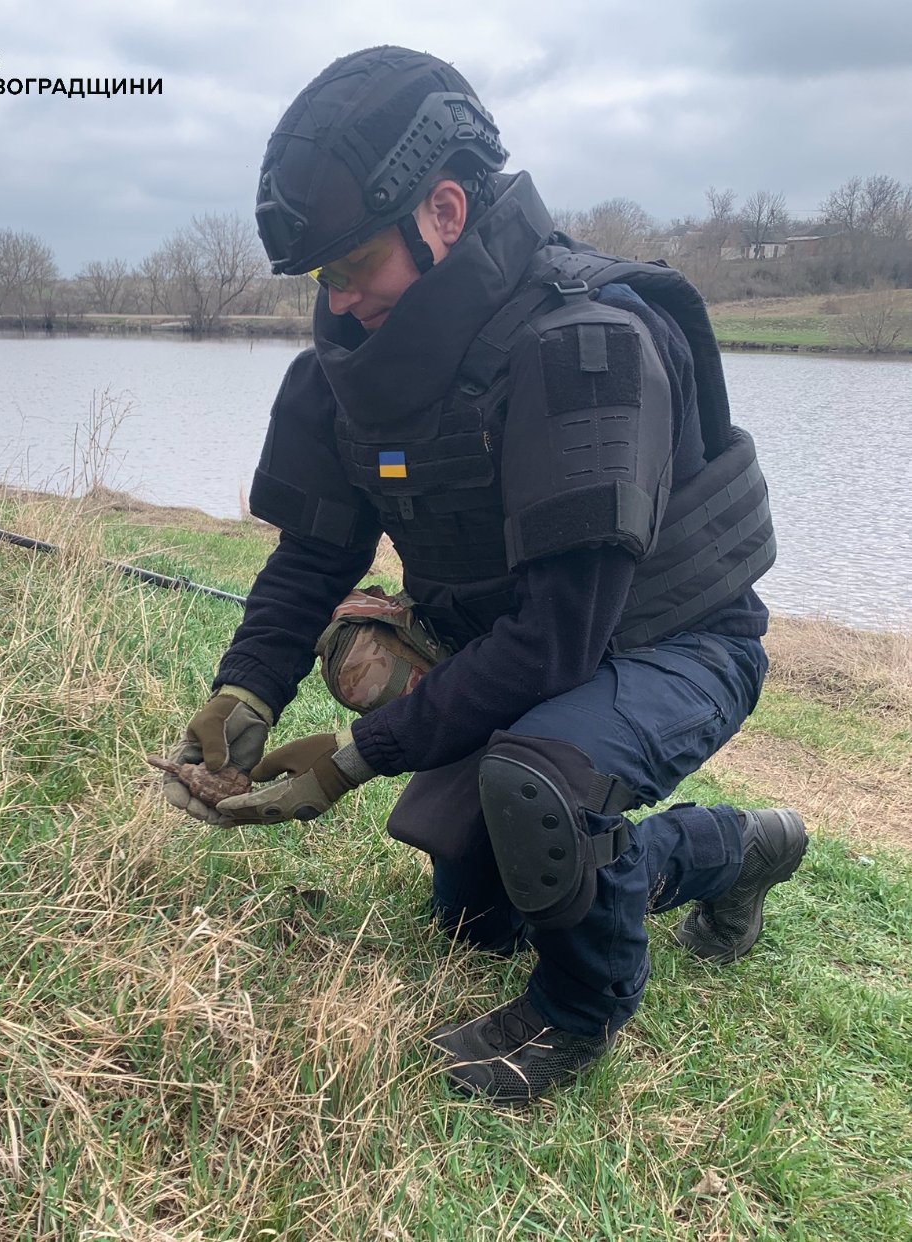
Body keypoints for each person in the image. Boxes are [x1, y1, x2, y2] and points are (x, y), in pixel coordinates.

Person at [158, 45, 807, 1106]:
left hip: (676, 641)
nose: (340, 300)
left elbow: (559, 639)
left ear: (445, 213)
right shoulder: (347, 371)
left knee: (535, 788)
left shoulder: (586, 347)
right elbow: (315, 554)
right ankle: (732, 851)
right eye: (322, 276)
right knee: (479, 918)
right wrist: (246, 691)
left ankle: (577, 1011)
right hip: (534, 647)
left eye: (354, 263)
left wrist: (354, 761)